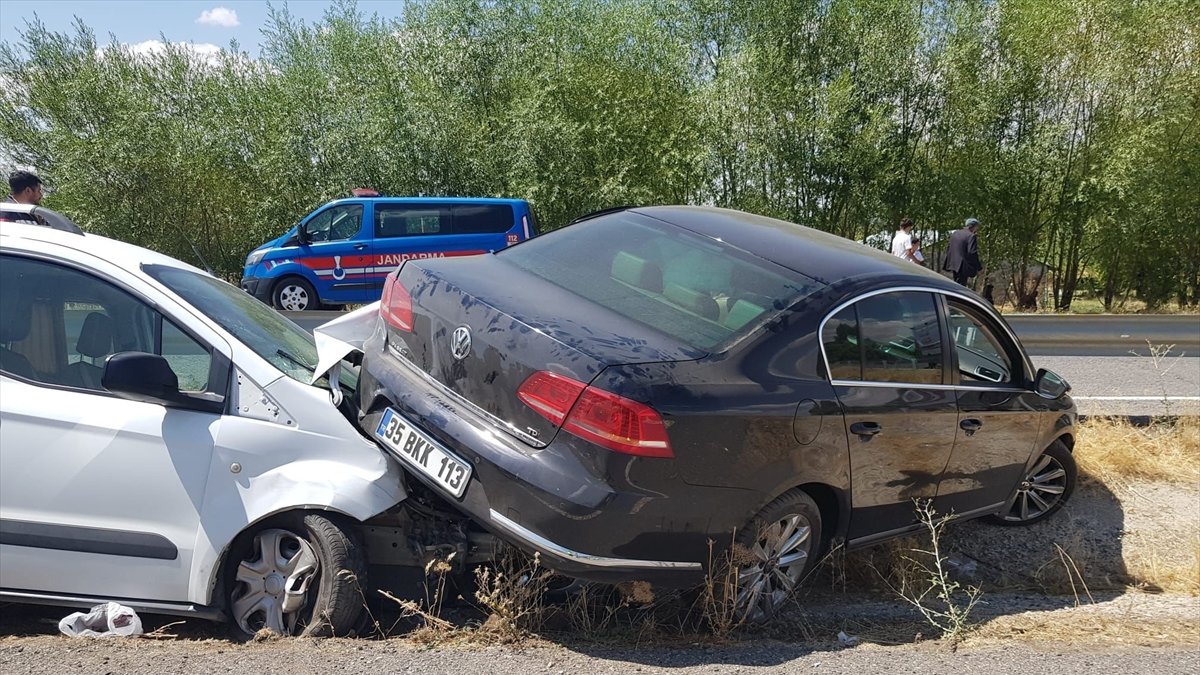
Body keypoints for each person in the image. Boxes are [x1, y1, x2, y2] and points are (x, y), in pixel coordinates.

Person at [943, 217, 983, 286]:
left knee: (956, 283)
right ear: (973, 227)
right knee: (960, 287)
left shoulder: (955, 233)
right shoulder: (971, 236)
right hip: (963, 266)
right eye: (977, 227)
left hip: (953, 264)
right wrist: (978, 266)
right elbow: (972, 252)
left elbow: (949, 247)